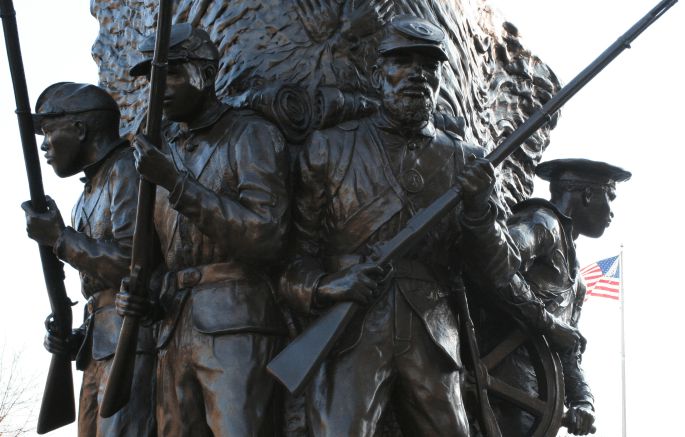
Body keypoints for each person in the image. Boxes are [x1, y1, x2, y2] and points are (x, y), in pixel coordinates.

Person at [279, 15, 521, 437]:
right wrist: (326, 287)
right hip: (351, 331)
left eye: (429, 65)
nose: (417, 74)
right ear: (378, 74)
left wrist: (480, 209)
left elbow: (498, 273)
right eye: (403, 61)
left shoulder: (467, 160)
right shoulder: (329, 148)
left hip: (434, 336)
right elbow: (293, 262)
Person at [116, 24, 291, 437]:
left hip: (237, 323)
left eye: (172, 73)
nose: (160, 89)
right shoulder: (160, 154)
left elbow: (267, 235)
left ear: (208, 75)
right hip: (174, 328)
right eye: (152, 80)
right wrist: (145, 296)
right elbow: (156, 257)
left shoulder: (250, 134)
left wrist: (176, 184)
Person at [22, 82, 157, 437]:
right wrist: (77, 335)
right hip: (99, 349)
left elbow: (134, 264)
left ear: (80, 129)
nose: (44, 144)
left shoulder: (127, 169)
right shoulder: (85, 195)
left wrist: (59, 238)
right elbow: (100, 290)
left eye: (50, 130)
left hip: (132, 345)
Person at [481, 158, 631, 436]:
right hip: (497, 380)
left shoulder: (580, 284)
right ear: (588, 195)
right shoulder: (542, 224)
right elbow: (495, 264)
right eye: (610, 197)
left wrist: (583, 400)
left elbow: (568, 347)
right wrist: (548, 323)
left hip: (541, 399)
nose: (612, 213)